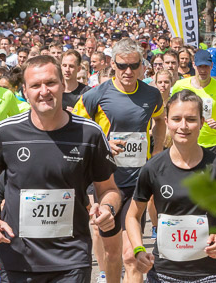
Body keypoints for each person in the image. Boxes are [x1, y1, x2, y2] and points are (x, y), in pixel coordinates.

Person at [0, 55, 121, 283]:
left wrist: (108, 208)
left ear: (62, 84)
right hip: (18, 257)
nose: (44, 91)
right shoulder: (6, 132)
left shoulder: (90, 133)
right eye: (35, 85)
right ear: (25, 91)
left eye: (50, 83)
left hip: (71, 258)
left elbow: (109, 189)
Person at [72, 38, 165, 283]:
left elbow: (160, 120)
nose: (128, 71)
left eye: (134, 66)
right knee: (113, 255)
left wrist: (157, 152)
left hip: (137, 183)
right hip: (106, 183)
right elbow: (74, 128)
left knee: (131, 256)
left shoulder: (152, 95)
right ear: (112, 64)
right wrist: (102, 145)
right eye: (122, 65)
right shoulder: (95, 95)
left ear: (142, 66)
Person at [126, 90, 216, 283]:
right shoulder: (153, 168)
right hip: (163, 273)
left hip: (209, 273)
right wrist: (138, 249)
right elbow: (132, 215)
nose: (183, 126)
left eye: (191, 119)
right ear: (167, 121)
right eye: (176, 119)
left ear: (202, 122)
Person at [170, 50, 216, 156]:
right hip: (185, 144)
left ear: (212, 66)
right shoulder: (180, 85)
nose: (203, 70)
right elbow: (170, 114)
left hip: (211, 146)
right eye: (200, 66)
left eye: (206, 66)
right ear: (194, 65)